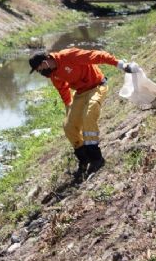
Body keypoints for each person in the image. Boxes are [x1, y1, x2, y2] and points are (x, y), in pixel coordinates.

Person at [29, 48, 137, 182]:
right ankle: (84, 159)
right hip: (80, 93)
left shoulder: (68, 56)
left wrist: (120, 64)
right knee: (68, 126)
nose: (40, 72)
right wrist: (69, 107)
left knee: (89, 114)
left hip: (97, 86)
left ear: (45, 62)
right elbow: (63, 89)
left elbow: (95, 56)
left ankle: (96, 158)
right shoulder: (53, 74)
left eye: (39, 69)